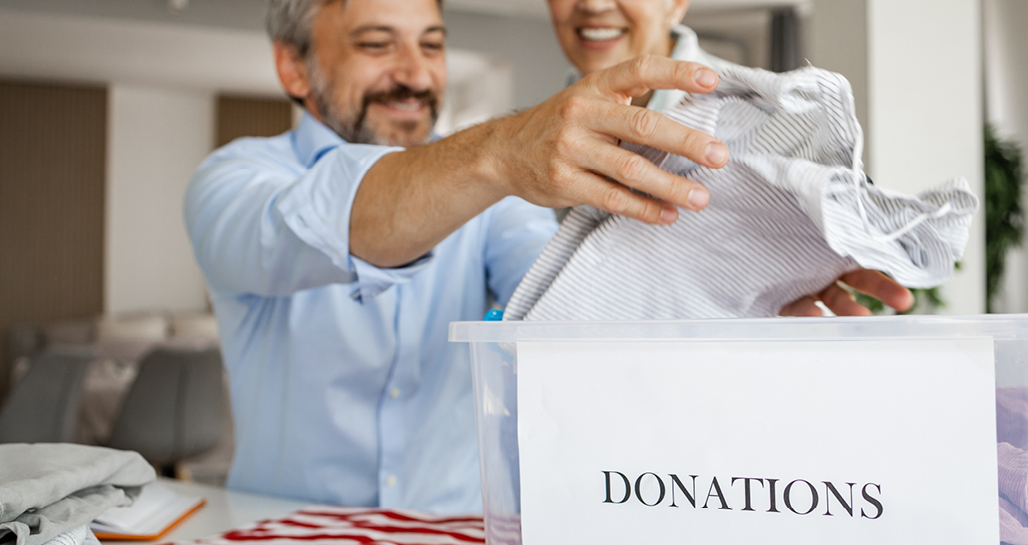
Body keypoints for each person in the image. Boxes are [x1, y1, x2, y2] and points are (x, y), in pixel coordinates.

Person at [184, 0, 910, 513]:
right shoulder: (234, 180)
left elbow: (576, 304)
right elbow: (335, 219)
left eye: (432, 45)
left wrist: (739, 280)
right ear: (294, 66)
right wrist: (499, 151)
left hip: (458, 533)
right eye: (378, 45)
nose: (413, 73)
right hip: (281, 530)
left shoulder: (490, 200)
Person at [545, 0, 914, 315]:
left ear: (675, 2)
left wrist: (797, 263)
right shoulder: (536, 130)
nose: (592, 4)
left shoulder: (767, 117)